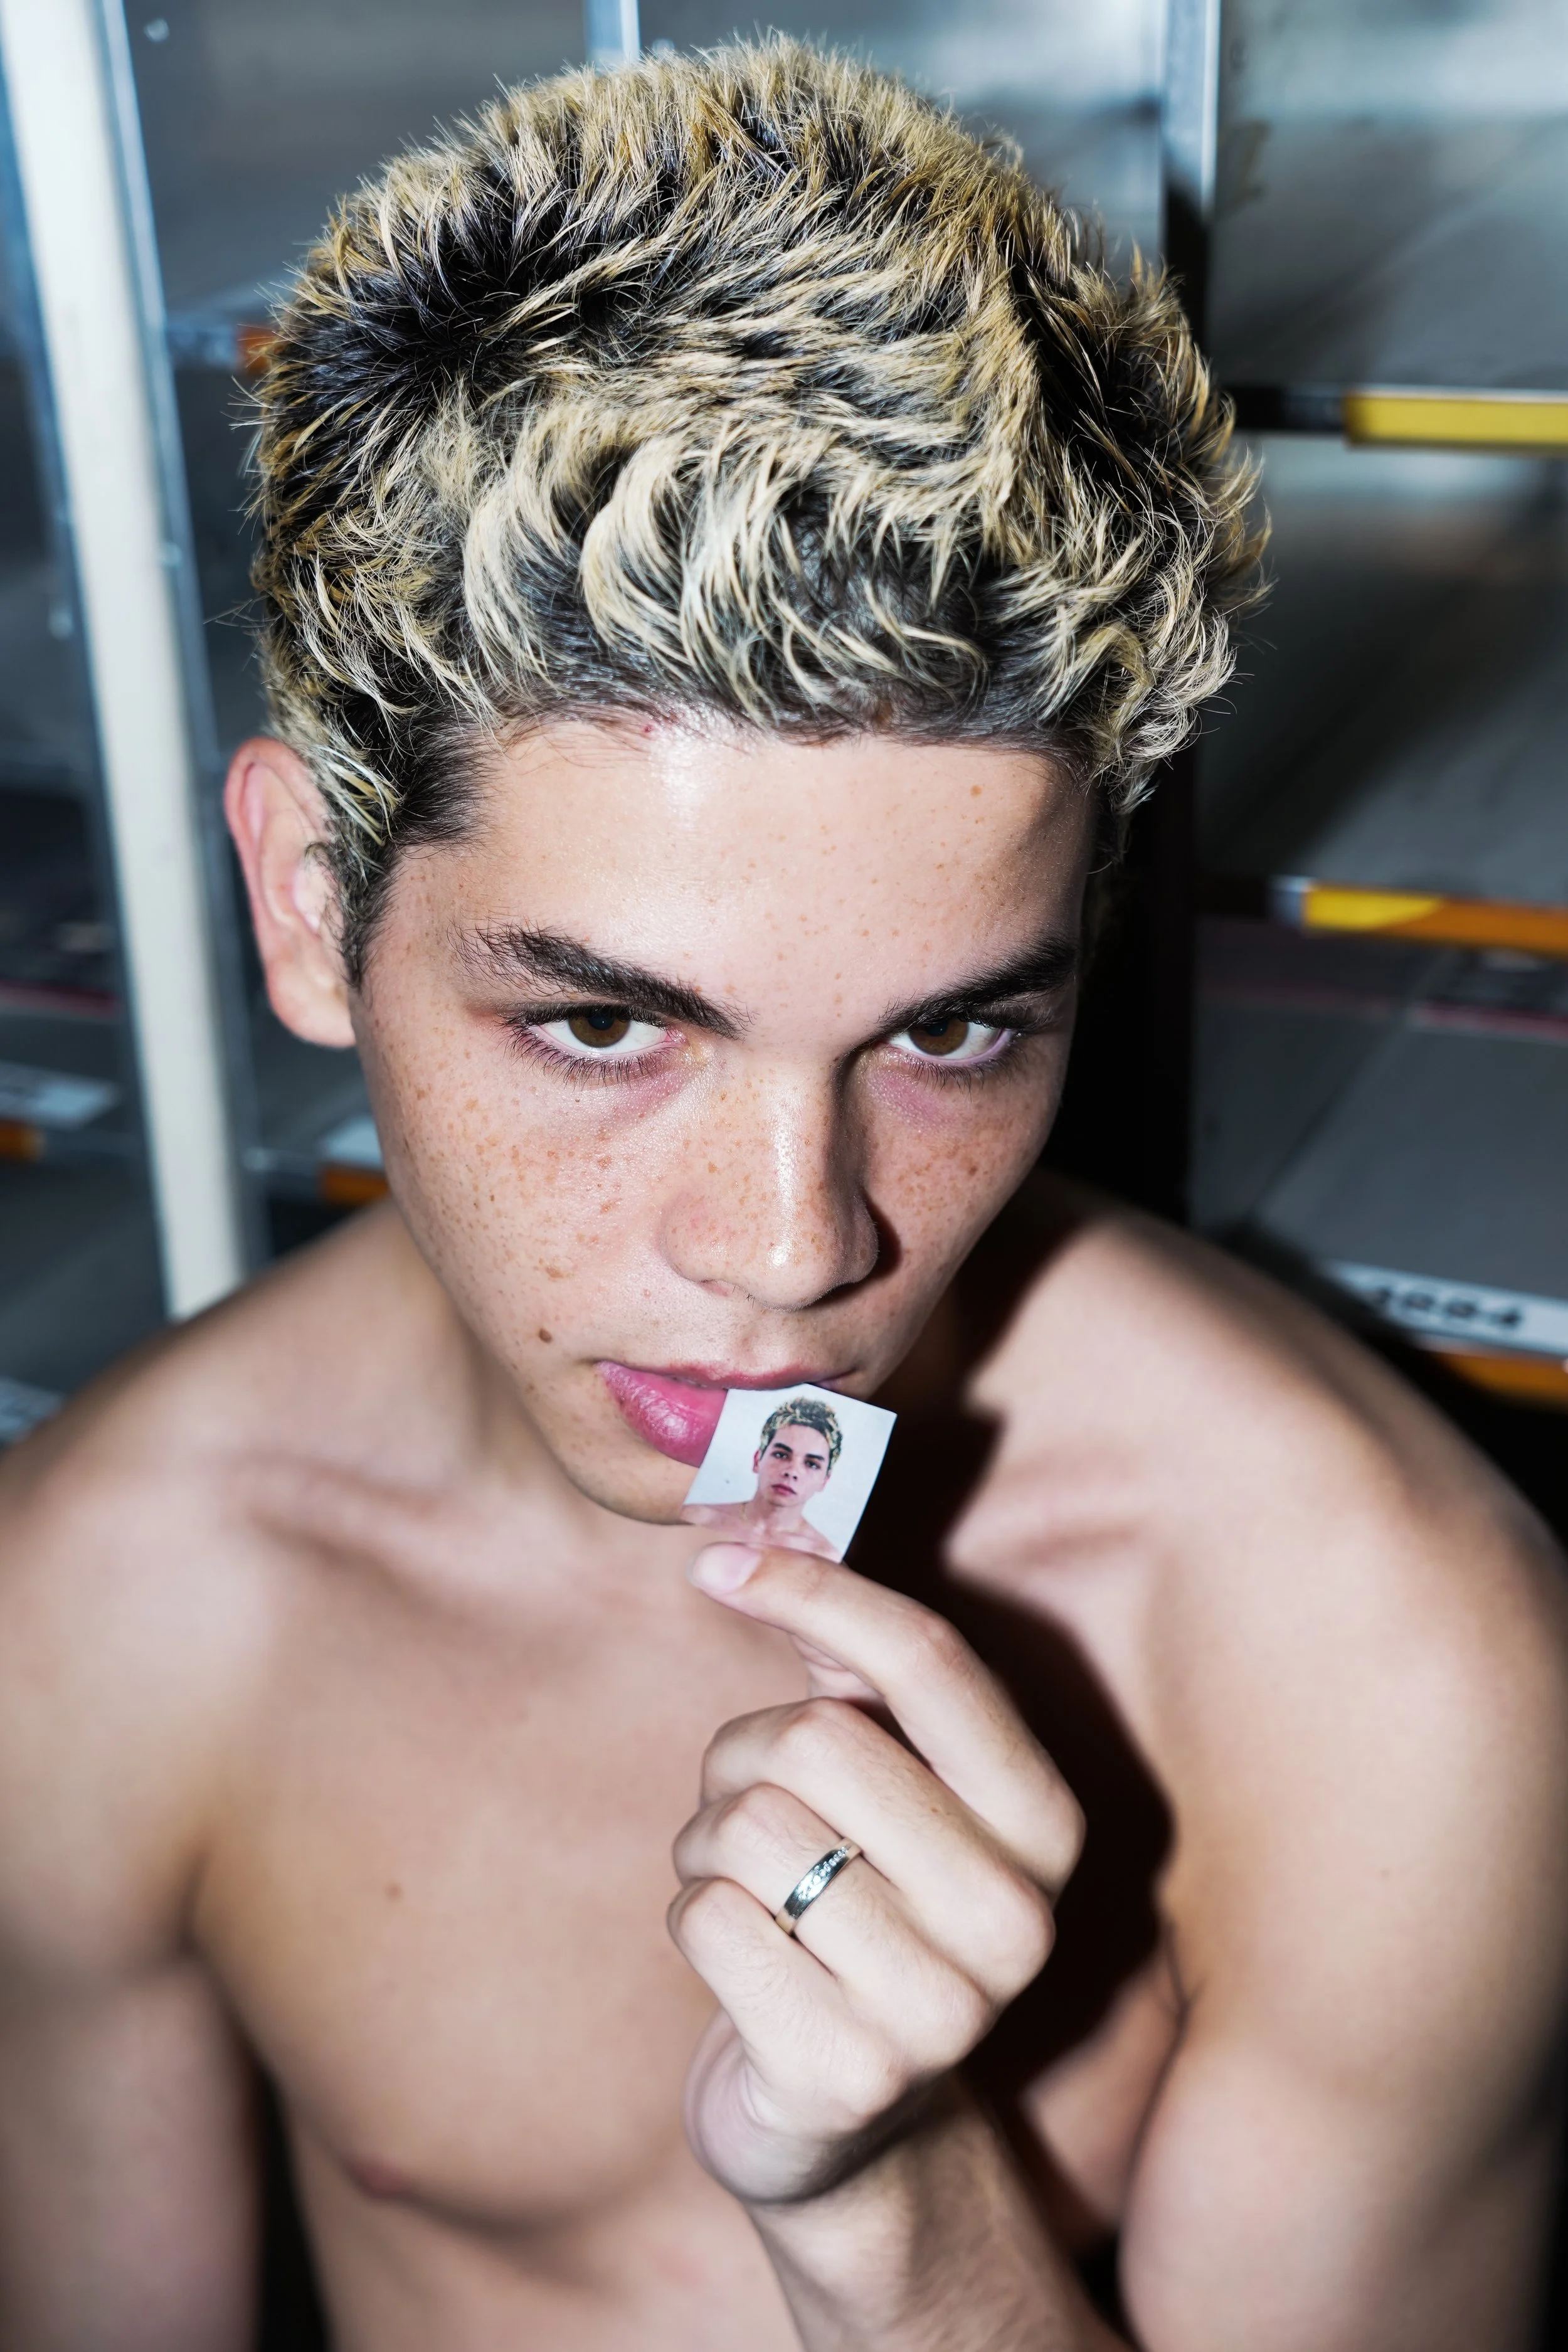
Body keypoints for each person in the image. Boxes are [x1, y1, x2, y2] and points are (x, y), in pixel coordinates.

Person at [0, 39, 1564, 2352]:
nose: (792, 1243)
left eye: (950, 1030)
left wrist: (896, 2200)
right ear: (314, 908)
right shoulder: (99, 1606)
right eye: (606, 1022)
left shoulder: (1388, 1653)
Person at [686, 1397, 845, 1560]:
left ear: (825, 1481)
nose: (792, 1472)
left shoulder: (825, 1557)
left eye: (811, 1464)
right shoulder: (697, 1517)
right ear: (757, 1460)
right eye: (781, 1455)